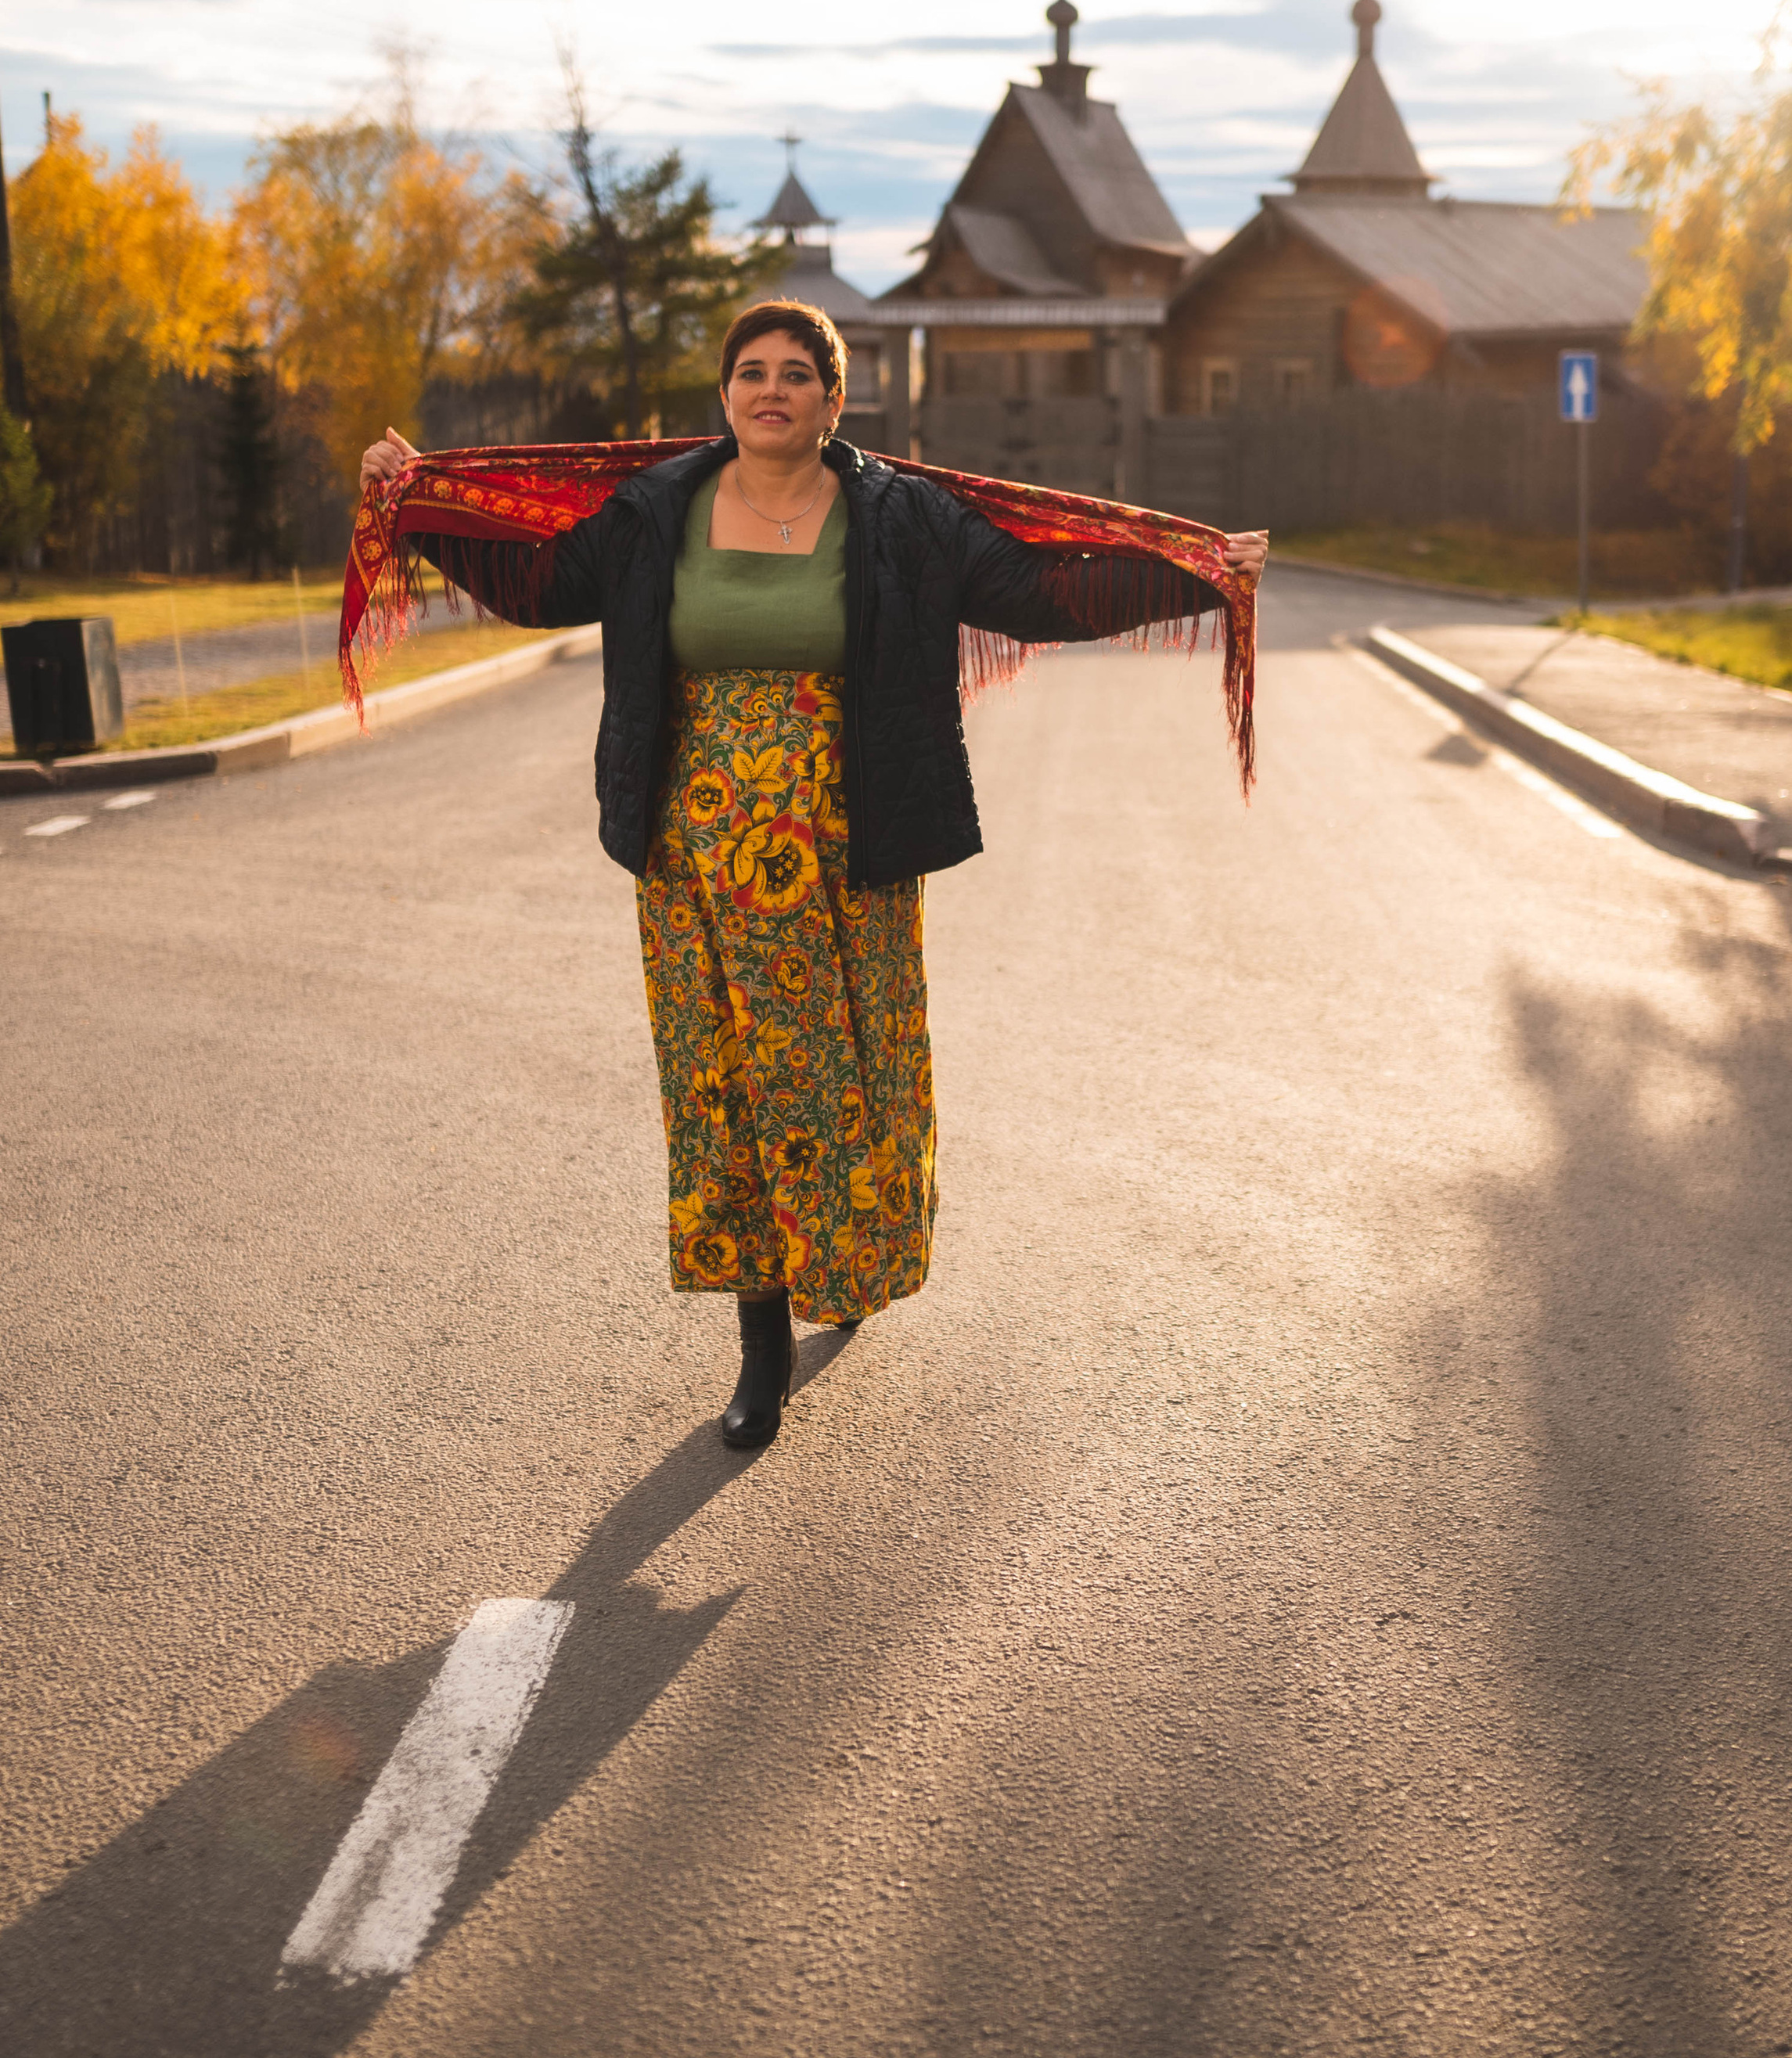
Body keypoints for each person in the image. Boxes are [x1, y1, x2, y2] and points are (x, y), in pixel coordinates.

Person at [358, 300, 1267, 1449]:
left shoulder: (901, 517)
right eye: (751, 373)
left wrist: (1199, 574)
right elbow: (539, 583)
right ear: (725, 395)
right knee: (730, 1087)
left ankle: (849, 1257)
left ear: (836, 401)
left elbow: (1039, 591)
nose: (772, 390)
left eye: (798, 374)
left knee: (850, 1070)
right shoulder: (657, 512)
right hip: (692, 855)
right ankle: (761, 1342)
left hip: (854, 843)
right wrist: (412, 507)